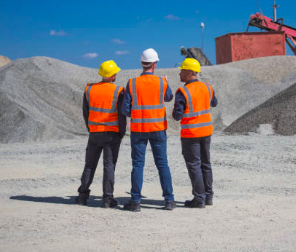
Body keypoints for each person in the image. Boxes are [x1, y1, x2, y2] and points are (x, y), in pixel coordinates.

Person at [122, 48, 176, 212]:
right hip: (158, 129)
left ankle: (136, 202)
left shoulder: (132, 83)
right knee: (162, 164)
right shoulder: (162, 82)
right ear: (155, 64)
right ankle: (169, 200)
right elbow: (168, 98)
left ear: (142, 63)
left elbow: (125, 110)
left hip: (138, 129)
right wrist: (166, 83)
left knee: (138, 165)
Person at [76, 60, 126, 208]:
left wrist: (91, 128)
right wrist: (121, 133)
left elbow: (86, 113)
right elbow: (121, 116)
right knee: (109, 166)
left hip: (95, 133)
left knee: (89, 165)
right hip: (111, 134)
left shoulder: (89, 90)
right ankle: (107, 199)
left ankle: (82, 196)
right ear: (112, 76)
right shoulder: (118, 91)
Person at [172, 58, 217, 208]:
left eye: (182, 70)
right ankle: (208, 196)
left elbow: (177, 116)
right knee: (206, 164)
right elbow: (214, 103)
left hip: (191, 134)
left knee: (194, 165)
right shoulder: (208, 87)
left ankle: (199, 199)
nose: (179, 73)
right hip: (206, 131)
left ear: (190, 72)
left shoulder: (183, 92)